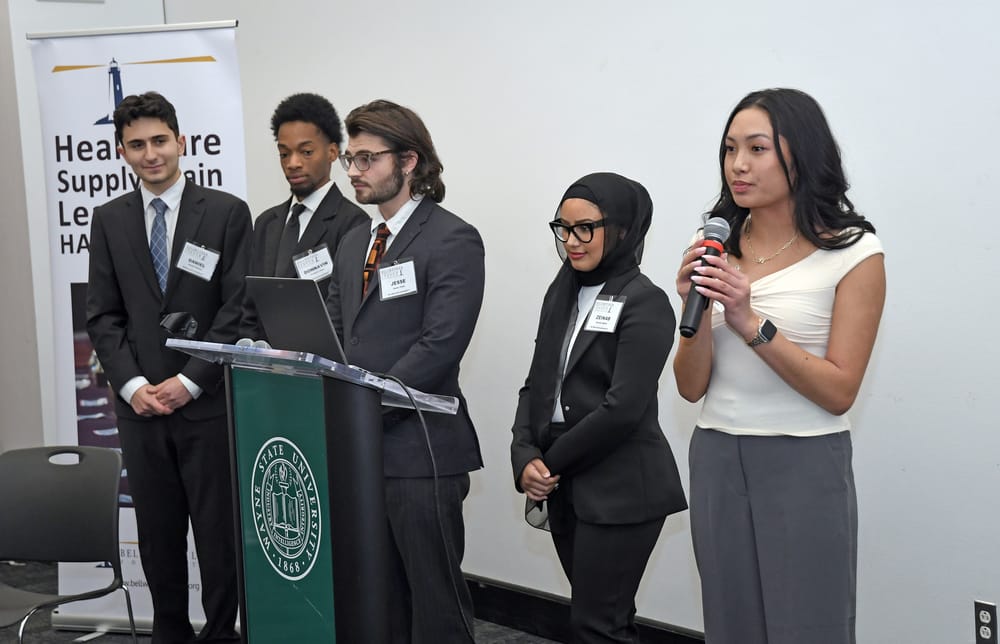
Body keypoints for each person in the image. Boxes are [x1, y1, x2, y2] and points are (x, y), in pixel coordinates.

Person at [673, 88, 886, 644]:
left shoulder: (854, 252)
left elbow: (840, 391)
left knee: (808, 624)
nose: (738, 165)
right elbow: (690, 386)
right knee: (730, 621)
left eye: (758, 148)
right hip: (717, 452)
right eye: (729, 149)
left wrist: (749, 322)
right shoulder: (712, 245)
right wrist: (689, 313)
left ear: (802, 153)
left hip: (804, 459)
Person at [86, 91, 250, 643]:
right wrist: (133, 386)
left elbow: (237, 311)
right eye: (137, 145)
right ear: (122, 152)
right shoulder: (108, 220)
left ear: (181, 143)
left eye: (159, 141)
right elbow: (103, 316)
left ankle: (222, 634)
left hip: (205, 405)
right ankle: (170, 633)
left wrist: (188, 381)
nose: (150, 154)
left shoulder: (227, 213)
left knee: (217, 534)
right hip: (140, 411)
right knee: (157, 537)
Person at [325, 99, 485, 643]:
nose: (353, 172)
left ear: (409, 161)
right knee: (378, 601)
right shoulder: (355, 242)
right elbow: (339, 336)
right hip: (360, 454)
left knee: (435, 608)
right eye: (349, 159)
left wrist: (362, 404)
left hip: (421, 452)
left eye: (367, 159)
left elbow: (440, 347)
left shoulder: (452, 238)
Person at [510, 172, 688, 643]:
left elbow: (623, 408)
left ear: (623, 230)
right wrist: (523, 452)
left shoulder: (646, 301)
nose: (572, 240)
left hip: (622, 489)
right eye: (563, 228)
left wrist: (548, 462)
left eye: (586, 227)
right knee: (604, 622)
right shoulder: (561, 291)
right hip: (566, 483)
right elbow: (537, 384)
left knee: (595, 626)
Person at [241, 92, 368, 340]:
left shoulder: (355, 224)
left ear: (332, 152)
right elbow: (250, 309)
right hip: (264, 368)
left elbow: (348, 317)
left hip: (319, 369)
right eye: (284, 153)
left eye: (306, 152)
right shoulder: (267, 222)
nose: (293, 163)